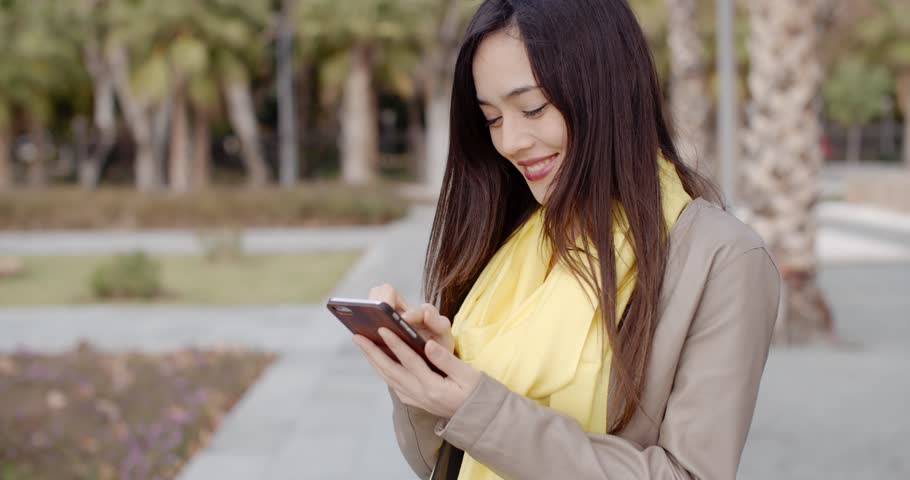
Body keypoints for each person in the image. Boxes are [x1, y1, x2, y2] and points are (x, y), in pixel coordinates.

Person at [352, 0, 781, 478]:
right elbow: (444, 465)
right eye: (492, 118)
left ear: (607, 91)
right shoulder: (510, 238)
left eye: (532, 108)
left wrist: (481, 410)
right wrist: (426, 379)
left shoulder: (722, 259)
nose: (510, 140)